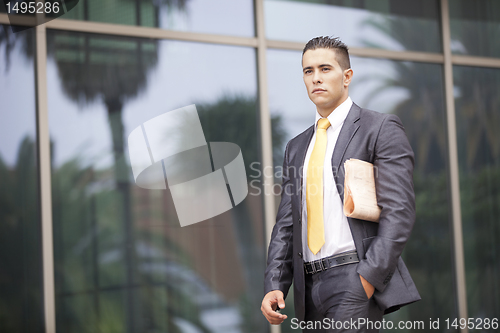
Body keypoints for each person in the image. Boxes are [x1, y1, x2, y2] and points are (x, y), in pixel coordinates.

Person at [261, 36, 421, 332]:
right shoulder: (296, 147)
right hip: (307, 289)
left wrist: (367, 279)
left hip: (353, 276)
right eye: (308, 71)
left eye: (325, 69)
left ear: (347, 76)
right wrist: (275, 284)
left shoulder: (379, 128)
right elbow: (286, 224)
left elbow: (399, 212)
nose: (316, 78)